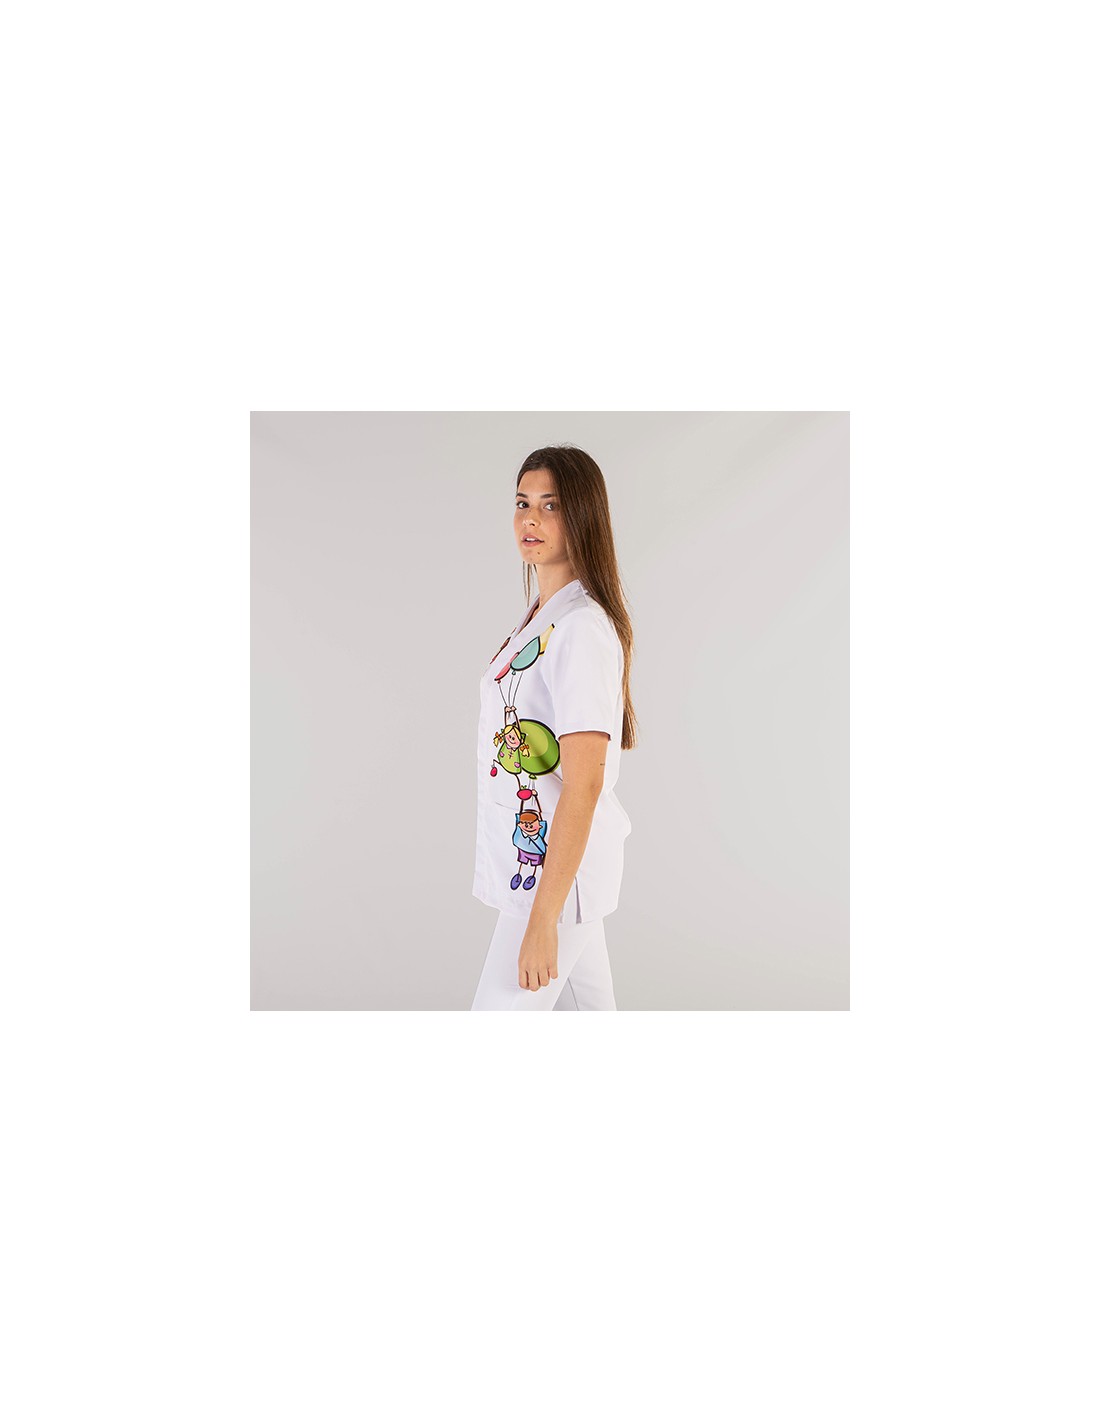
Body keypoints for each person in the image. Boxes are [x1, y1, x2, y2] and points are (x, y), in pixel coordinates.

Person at [470, 445, 637, 1010]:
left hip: (557, 883)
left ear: (582, 516)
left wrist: (543, 919)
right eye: (523, 503)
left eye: (551, 505)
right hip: (552, 871)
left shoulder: (581, 628)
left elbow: (584, 784)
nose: (531, 519)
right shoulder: (545, 619)